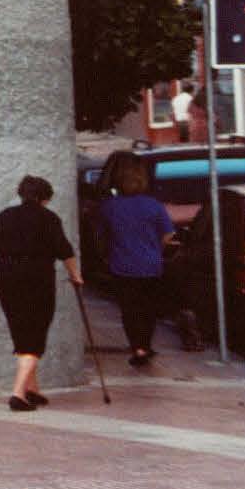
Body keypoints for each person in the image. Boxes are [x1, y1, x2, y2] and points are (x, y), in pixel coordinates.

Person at [0, 174, 83, 411]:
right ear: (45, 198)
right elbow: (66, 253)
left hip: (6, 276)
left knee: (20, 330)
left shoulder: (7, 215)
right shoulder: (49, 218)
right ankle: (18, 393)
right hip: (37, 278)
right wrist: (76, 275)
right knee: (35, 332)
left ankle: (32, 389)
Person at [95, 151, 178, 367]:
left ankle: (137, 347)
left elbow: (102, 235)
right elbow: (168, 234)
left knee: (129, 308)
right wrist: (156, 248)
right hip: (151, 265)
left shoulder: (110, 206)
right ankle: (146, 344)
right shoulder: (154, 205)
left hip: (122, 264)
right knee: (148, 308)